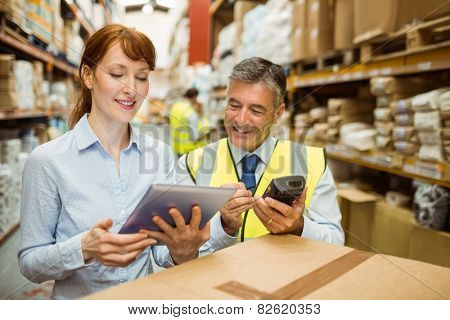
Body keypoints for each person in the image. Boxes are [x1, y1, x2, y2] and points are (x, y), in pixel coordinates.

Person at [18, 25, 229, 300]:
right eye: (117, 74)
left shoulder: (160, 155)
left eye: (141, 77)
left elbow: (161, 252)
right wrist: (84, 248)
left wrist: (183, 250)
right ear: (88, 75)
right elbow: (30, 264)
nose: (132, 89)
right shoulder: (47, 161)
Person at [176, 57, 344, 244]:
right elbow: (169, 253)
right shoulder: (192, 164)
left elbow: (335, 241)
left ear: (278, 114)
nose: (241, 120)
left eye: (256, 111)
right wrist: (223, 227)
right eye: (234, 105)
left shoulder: (313, 162)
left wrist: (300, 227)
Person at [169, 88, 209, 156]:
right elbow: (195, 137)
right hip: (188, 150)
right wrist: (205, 135)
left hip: (176, 147)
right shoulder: (190, 112)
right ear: (194, 97)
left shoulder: (175, 106)